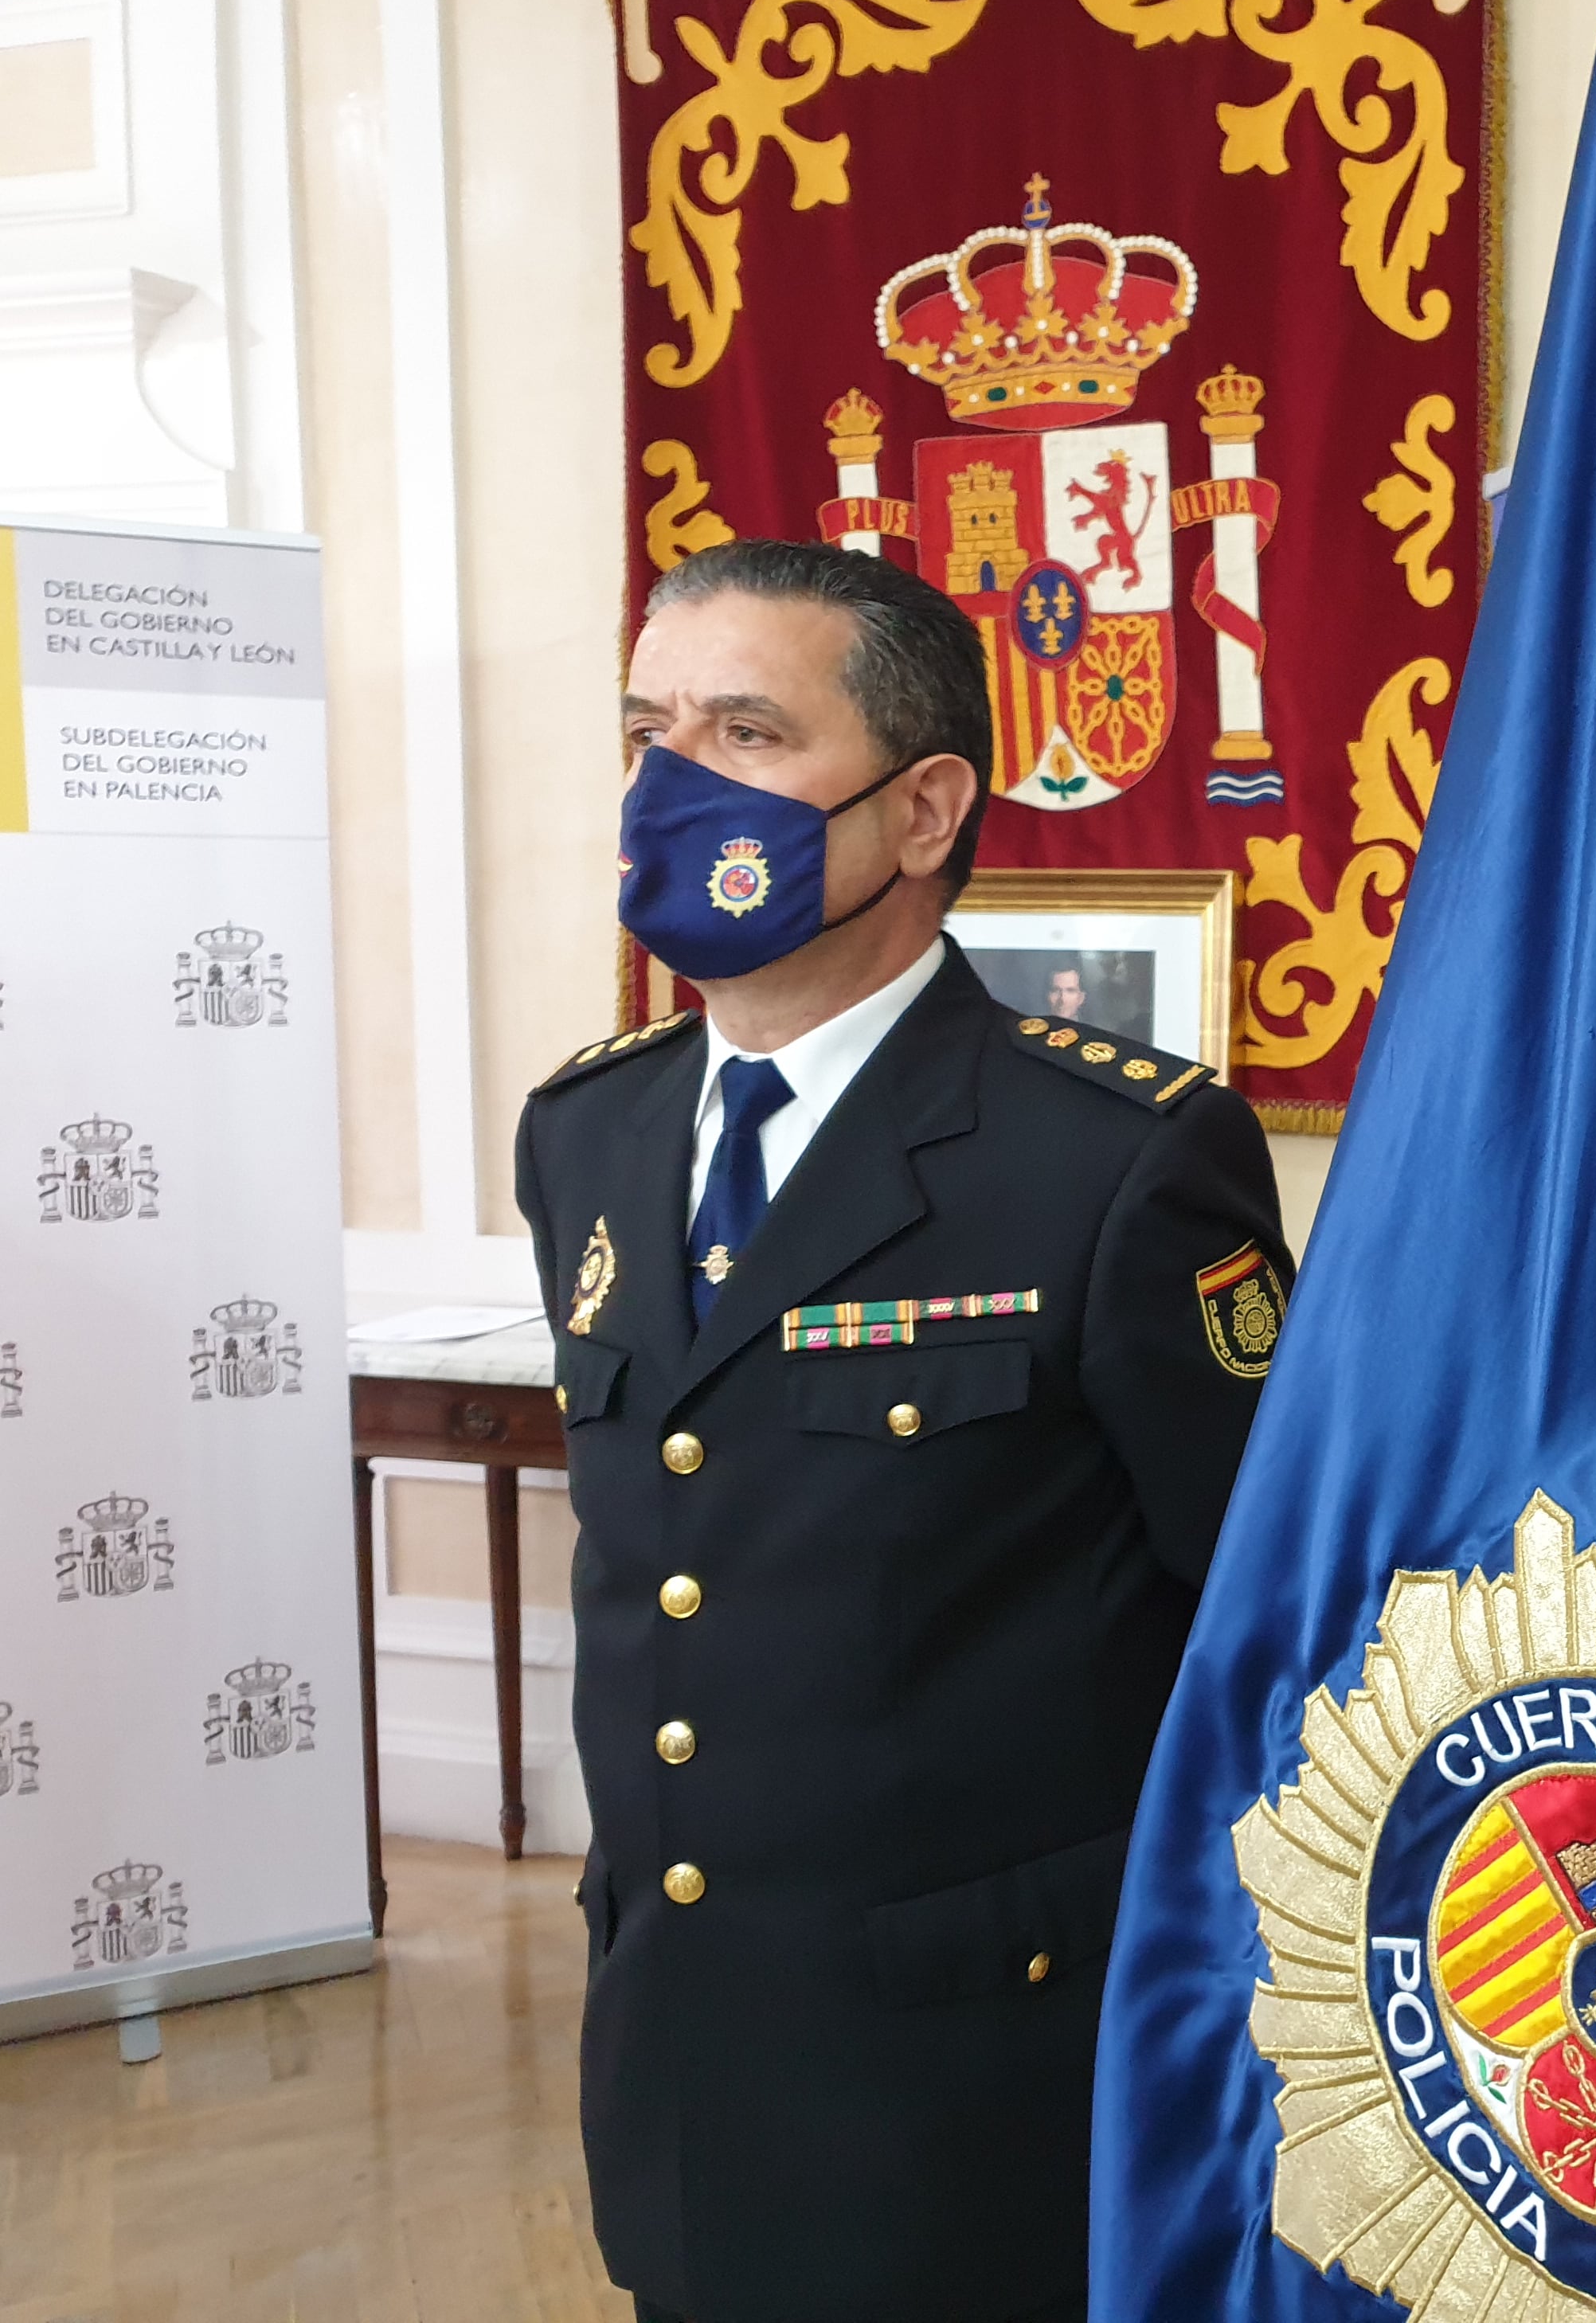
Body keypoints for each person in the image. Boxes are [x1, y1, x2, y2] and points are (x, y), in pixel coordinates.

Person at [514, 539, 1292, 2323]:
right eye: (648, 732)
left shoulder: (1112, 1160)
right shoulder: (592, 1136)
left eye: (745, 733)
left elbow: (1260, 1616)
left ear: (924, 803)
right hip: (687, 2044)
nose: (670, 788)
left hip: (981, 2063)